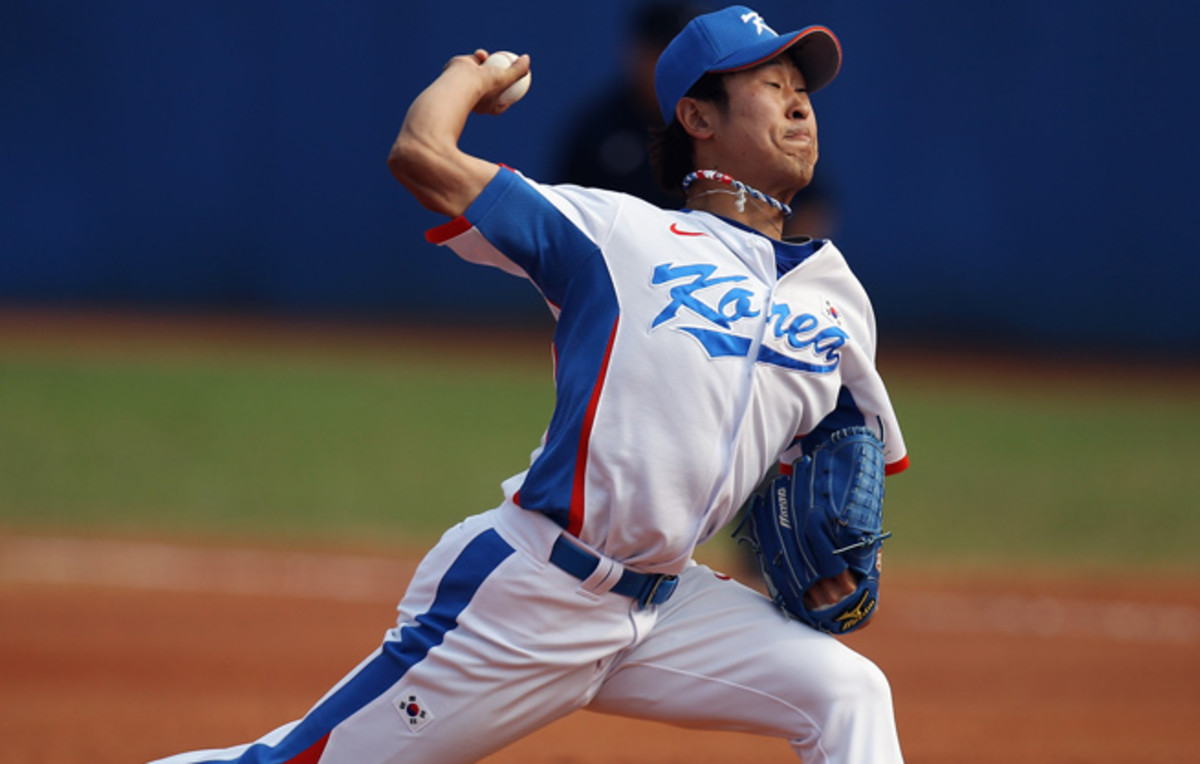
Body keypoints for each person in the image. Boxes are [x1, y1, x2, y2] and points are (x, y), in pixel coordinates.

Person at [149, 6, 910, 763]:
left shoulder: (835, 296)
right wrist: (464, 77)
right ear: (697, 116)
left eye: (802, 90)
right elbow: (422, 155)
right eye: (772, 86)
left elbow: (837, 456)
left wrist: (843, 560)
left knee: (848, 692)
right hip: (535, 595)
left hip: (670, 607)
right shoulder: (616, 234)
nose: (800, 105)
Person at [553, 2, 708, 207]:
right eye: (668, 54)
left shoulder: (721, 126)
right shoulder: (597, 132)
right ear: (638, 54)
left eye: (690, 57)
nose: (681, 68)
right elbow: (565, 215)